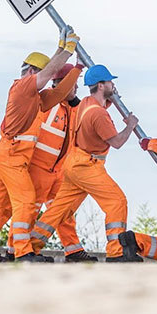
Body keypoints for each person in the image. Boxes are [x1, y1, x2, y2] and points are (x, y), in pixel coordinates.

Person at [0, 26, 82, 263]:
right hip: (12, 156)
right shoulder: (23, 87)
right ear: (33, 71)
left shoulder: (35, 97)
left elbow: (58, 94)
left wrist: (74, 67)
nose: (46, 79)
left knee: (1, 206)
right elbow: (50, 73)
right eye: (42, 74)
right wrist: (68, 50)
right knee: (26, 200)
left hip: (11, 156)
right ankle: (23, 252)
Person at [29, 64, 143, 262]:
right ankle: (117, 253)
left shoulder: (87, 104)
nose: (112, 84)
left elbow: (98, 108)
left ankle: (29, 247)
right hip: (87, 166)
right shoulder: (98, 114)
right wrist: (130, 126)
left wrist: (110, 98)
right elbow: (116, 142)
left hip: (73, 163)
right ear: (100, 85)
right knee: (117, 201)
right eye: (109, 82)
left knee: (58, 211)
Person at [3, 63, 98, 262]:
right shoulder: (46, 103)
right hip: (38, 168)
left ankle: (73, 250)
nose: (76, 88)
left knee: (62, 212)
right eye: (73, 84)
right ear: (63, 84)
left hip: (58, 171)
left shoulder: (71, 107)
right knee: (28, 209)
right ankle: (14, 251)